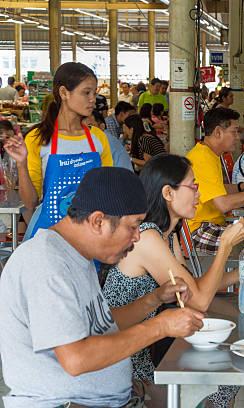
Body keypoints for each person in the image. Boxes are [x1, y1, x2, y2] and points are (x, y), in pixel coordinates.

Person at [0, 166, 204, 407]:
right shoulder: (46, 263)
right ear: (98, 221)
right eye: (133, 226)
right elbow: (76, 359)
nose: (137, 236)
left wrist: (155, 299)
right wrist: (161, 326)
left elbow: (100, 323)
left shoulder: (76, 254)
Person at [102, 154, 244, 407]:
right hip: (126, 356)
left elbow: (192, 289)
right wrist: (225, 245)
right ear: (168, 193)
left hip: (149, 343)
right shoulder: (147, 236)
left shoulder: (167, 235)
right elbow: (198, 302)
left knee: (230, 374)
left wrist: (240, 273)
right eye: (193, 186)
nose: (199, 195)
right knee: (222, 384)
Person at [3, 62, 114, 239]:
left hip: (92, 237)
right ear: (64, 92)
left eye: (94, 92)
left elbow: (108, 191)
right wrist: (21, 164)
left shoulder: (98, 138)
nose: (93, 99)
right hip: (51, 237)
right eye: (86, 92)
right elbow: (31, 202)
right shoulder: (38, 139)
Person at [186, 108, 244, 254]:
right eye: (234, 132)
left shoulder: (208, 153)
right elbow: (223, 204)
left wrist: (240, 187)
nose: (237, 137)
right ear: (218, 132)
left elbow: (214, 190)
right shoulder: (203, 159)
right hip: (198, 230)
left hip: (212, 224)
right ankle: (235, 276)